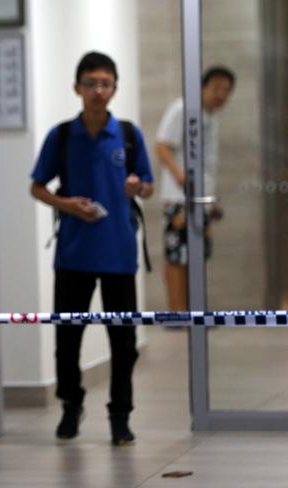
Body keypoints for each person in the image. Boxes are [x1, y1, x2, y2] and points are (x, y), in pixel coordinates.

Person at [30, 51, 154, 445]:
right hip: (74, 253)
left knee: (124, 342)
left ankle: (121, 415)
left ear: (114, 88)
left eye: (105, 83)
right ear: (77, 88)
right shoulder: (62, 135)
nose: (98, 91)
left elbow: (147, 185)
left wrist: (139, 187)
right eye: (91, 83)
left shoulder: (130, 136)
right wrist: (67, 205)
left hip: (119, 254)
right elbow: (36, 186)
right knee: (68, 338)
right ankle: (71, 404)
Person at [156, 66, 235, 312]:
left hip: (202, 198)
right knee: (176, 257)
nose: (221, 94)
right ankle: (177, 314)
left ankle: (193, 314)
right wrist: (181, 177)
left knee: (197, 256)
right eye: (216, 88)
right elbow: (162, 145)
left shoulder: (211, 117)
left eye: (226, 90)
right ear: (202, 87)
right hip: (180, 197)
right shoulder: (183, 109)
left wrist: (210, 200)